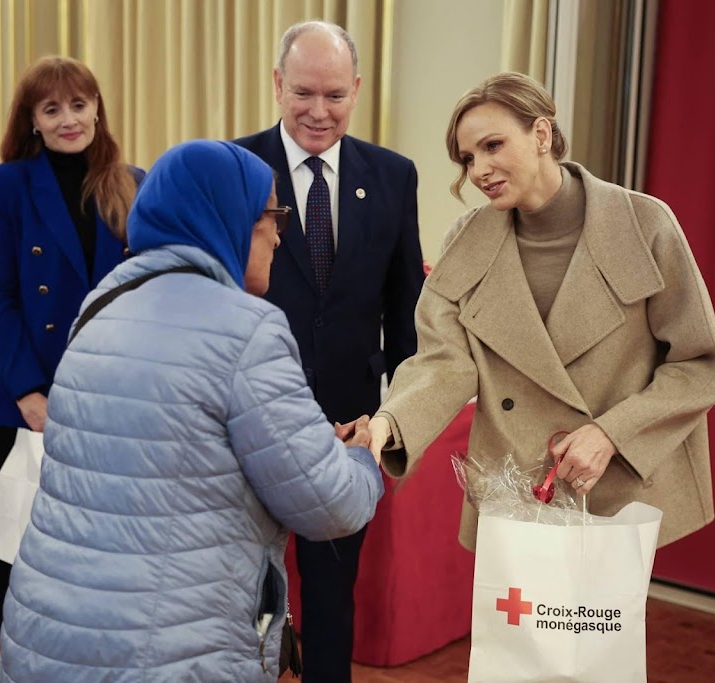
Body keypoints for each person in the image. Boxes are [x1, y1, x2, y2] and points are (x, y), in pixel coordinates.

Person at [0, 139, 385, 683]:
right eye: (271, 214)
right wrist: (361, 458)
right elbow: (328, 505)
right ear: (227, 217)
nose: (279, 233)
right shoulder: (247, 328)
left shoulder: (101, 306)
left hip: (50, 633)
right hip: (169, 649)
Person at [366, 72, 715, 552]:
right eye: (468, 158)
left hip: (615, 482)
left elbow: (701, 365)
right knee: (515, 627)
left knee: (598, 626)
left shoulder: (644, 225)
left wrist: (611, 433)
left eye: (493, 145)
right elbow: (442, 362)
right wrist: (387, 424)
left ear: (541, 134)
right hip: (512, 489)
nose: (479, 169)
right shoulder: (465, 241)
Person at [233, 20, 424, 681]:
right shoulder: (235, 168)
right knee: (243, 591)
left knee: (332, 594)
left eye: (335, 95)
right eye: (304, 92)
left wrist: (398, 423)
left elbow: (405, 320)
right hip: (248, 417)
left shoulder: (394, 177)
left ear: (358, 90)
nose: (319, 111)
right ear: (279, 84)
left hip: (347, 426)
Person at [0, 55, 142, 637]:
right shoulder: (0, 187)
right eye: (52, 108)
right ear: (33, 121)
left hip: (107, 396)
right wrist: (28, 394)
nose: (69, 118)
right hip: (28, 396)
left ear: (97, 109)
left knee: (100, 551)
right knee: (23, 548)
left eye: (79, 104)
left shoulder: (132, 183)